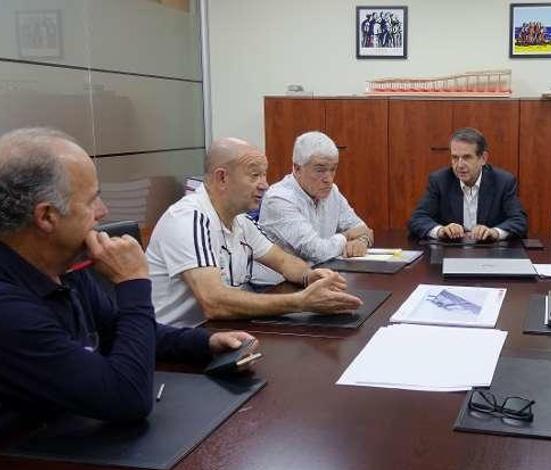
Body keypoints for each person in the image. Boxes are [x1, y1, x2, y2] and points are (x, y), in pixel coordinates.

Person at [0, 127, 254, 422]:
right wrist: (133, 282)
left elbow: (117, 329)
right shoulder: (9, 309)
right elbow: (127, 398)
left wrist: (203, 343)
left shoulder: (64, 267)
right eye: (91, 200)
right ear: (46, 217)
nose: (103, 211)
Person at [146, 137, 362, 328]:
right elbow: (214, 302)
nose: (264, 185)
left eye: (264, 175)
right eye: (255, 176)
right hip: (175, 345)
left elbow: (283, 262)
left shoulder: (239, 220)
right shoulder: (190, 218)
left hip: (220, 331)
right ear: (222, 178)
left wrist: (310, 276)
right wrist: (300, 302)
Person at [256, 131, 373, 269]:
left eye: (333, 169)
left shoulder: (332, 191)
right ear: (297, 168)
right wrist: (347, 236)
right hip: (276, 285)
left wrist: (361, 241)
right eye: (320, 170)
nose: (328, 179)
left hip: (318, 275)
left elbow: (362, 229)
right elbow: (317, 252)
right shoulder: (278, 199)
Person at [407, 127, 527, 241]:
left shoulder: (503, 182)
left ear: (483, 158)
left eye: (467, 157)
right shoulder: (440, 180)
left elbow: (519, 221)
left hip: (489, 252)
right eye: (455, 158)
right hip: (450, 252)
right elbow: (417, 219)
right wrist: (440, 230)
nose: (459, 165)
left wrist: (494, 232)